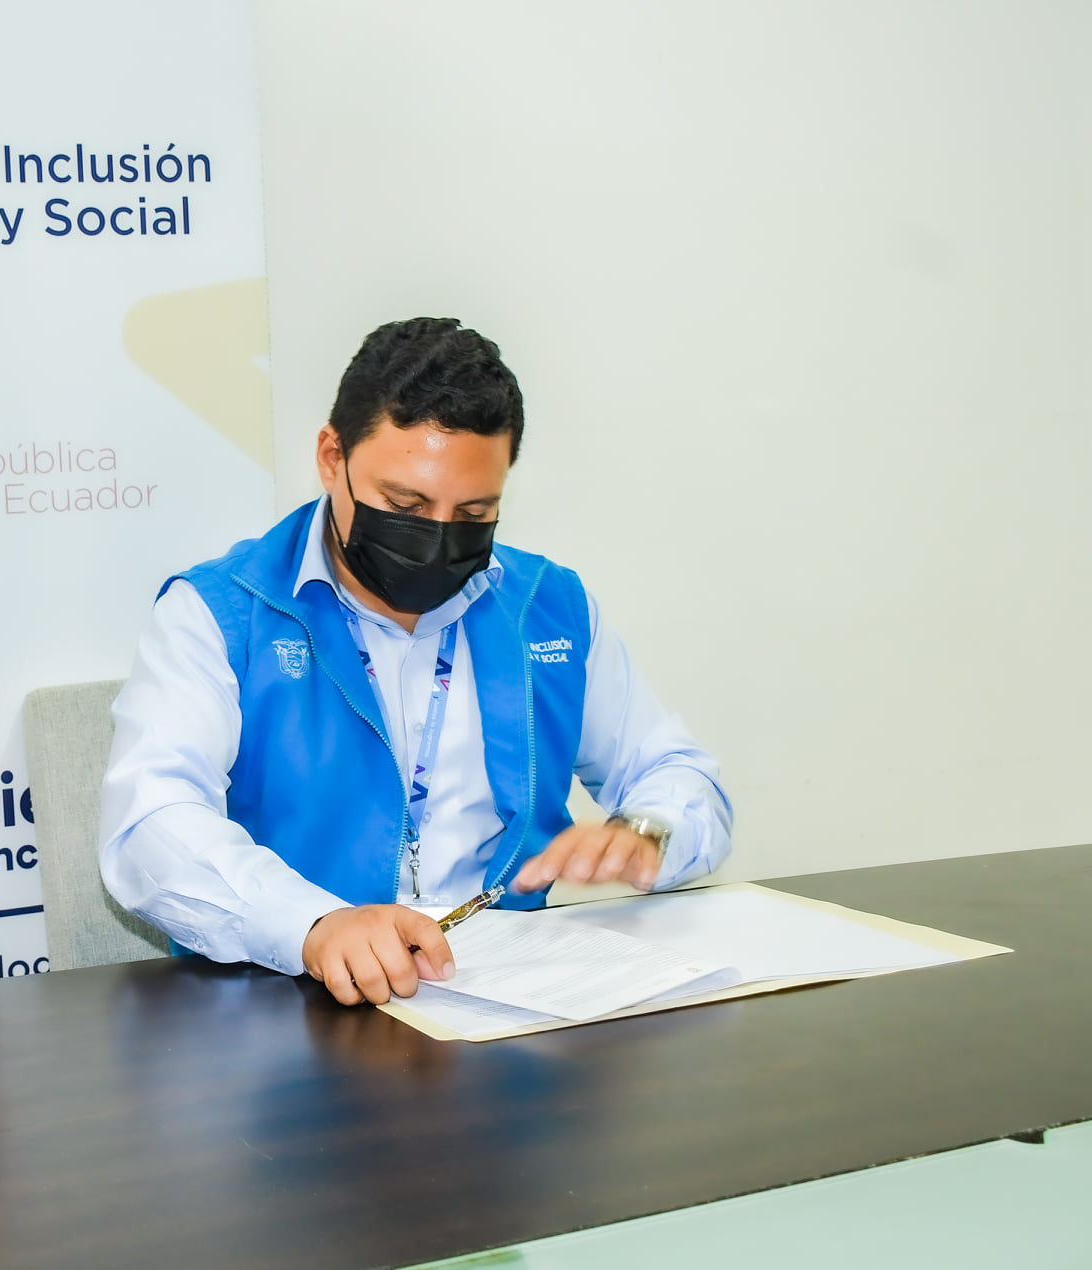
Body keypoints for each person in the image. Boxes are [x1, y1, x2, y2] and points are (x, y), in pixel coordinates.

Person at [100, 317, 733, 1008]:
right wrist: (312, 924)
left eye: (473, 513)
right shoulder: (219, 613)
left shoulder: (549, 607)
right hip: (288, 999)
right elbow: (149, 822)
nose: (435, 539)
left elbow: (676, 773)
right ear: (331, 457)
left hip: (511, 1000)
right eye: (404, 504)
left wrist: (648, 832)